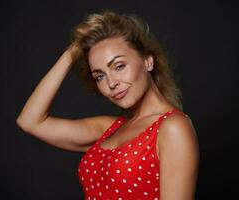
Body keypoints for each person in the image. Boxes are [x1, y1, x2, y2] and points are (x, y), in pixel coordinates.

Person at [16, 9, 199, 200]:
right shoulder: (109, 129)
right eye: (100, 76)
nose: (111, 83)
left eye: (119, 66)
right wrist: (74, 52)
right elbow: (29, 121)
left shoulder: (173, 127)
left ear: (148, 61)